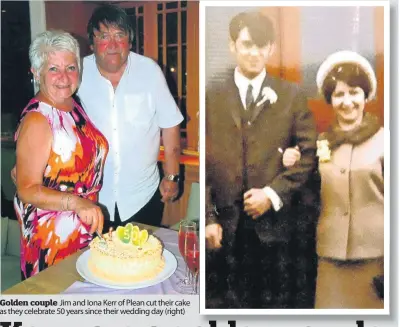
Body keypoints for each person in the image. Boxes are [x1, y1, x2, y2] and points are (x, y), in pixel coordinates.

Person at [205, 11, 319, 309]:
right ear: (233, 46)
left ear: (270, 49)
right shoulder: (212, 95)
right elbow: (204, 163)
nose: (254, 53)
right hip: (225, 232)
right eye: (246, 44)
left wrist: (271, 194)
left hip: (277, 233)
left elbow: (308, 154)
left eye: (261, 45)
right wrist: (208, 218)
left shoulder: (292, 96)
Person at [78, 4, 183, 229]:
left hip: (143, 197)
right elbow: (52, 111)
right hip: (93, 197)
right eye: (104, 36)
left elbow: (170, 124)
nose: (113, 45)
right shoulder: (78, 73)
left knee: (141, 260)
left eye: (119, 35)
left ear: (130, 41)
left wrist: (172, 175)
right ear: (92, 43)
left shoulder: (149, 71)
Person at [14, 30, 108, 279]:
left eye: (71, 67)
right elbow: (26, 188)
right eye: (53, 69)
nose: (64, 78)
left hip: (81, 229)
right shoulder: (38, 118)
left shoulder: (72, 105)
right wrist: (77, 202)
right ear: (37, 72)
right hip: (52, 240)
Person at [313, 50, 384, 308]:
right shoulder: (321, 144)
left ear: (366, 96)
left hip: (378, 261)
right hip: (330, 260)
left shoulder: (387, 142)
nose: (347, 101)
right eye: (339, 94)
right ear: (330, 100)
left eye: (354, 92)